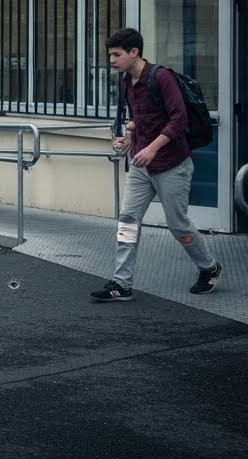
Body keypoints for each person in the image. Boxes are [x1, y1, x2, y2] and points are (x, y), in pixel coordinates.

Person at [93, 27, 222, 302]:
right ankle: (122, 284)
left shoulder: (161, 77)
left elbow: (179, 119)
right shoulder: (127, 82)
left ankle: (209, 267)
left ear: (134, 52)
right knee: (127, 221)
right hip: (141, 166)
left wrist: (152, 148)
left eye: (116, 54)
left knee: (178, 226)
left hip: (172, 165)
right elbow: (139, 118)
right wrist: (129, 138)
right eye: (110, 55)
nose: (111, 60)